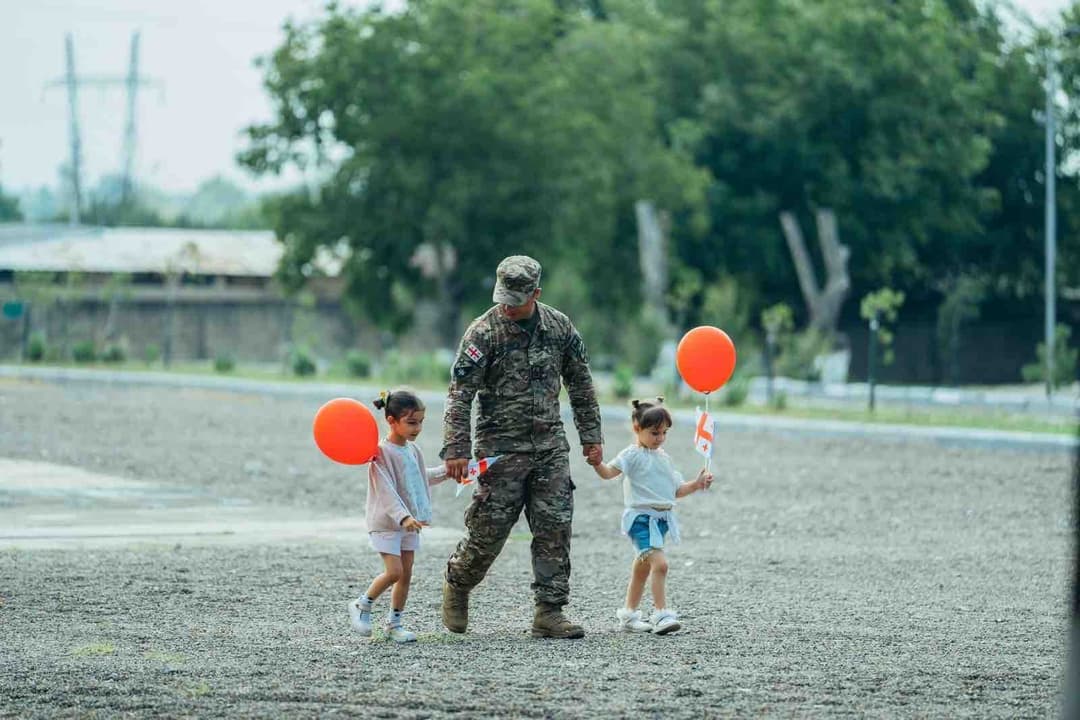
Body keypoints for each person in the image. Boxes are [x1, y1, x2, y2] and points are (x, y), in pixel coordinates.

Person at [440, 255, 603, 639]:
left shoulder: (559, 327)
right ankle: (458, 584)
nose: (507, 307)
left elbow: (581, 384)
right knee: (488, 531)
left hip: (549, 446)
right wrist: (456, 447)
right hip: (501, 450)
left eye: (515, 301)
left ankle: (549, 611)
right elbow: (459, 394)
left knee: (555, 528)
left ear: (536, 294)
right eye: (503, 299)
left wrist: (591, 436)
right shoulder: (483, 333)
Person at [588, 397, 713, 635]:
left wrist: (697, 484)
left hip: (661, 522)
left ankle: (629, 616)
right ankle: (662, 614)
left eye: (664, 432)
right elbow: (608, 473)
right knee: (660, 565)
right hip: (641, 520)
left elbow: (676, 491)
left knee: (642, 569)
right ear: (637, 428)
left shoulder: (664, 458)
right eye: (655, 433)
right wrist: (597, 463)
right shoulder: (632, 455)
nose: (660, 438)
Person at [348, 389, 448, 643]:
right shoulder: (380, 454)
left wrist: (447, 472)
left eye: (421, 422)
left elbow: (419, 478)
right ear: (391, 421)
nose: (418, 428)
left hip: (409, 524)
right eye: (411, 422)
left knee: (405, 574)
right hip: (387, 523)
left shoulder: (413, 450)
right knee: (393, 572)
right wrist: (403, 517)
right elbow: (386, 491)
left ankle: (394, 625)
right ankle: (362, 605)